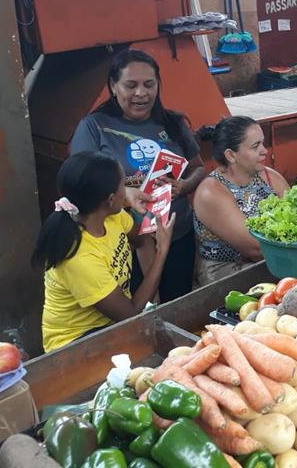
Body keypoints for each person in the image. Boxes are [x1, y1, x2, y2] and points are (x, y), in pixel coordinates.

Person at [71, 49, 206, 303]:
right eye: (130, 85)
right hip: (124, 243)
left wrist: (185, 185)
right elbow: (81, 185)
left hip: (177, 235)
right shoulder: (94, 127)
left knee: (178, 306)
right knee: (137, 314)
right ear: (113, 86)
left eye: (149, 84)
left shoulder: (173, 123)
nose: (141, 93)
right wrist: (124, 195)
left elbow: (199, 168)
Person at [35, 152, 175, 352]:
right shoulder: (78, 257)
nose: (126, 191)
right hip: (75, 344)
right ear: (110, 199)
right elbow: (131, 314)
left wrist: (153, 300)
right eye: (123, 186)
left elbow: (142, 240)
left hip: (113, 324)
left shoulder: (111, 217)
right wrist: (162, 250)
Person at [193, 117, 289, 284]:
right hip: (226, 270)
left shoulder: (270, 177)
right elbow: (255, 248)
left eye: (263, 143)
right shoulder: (211, 192)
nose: (264, 151)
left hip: (275, 258)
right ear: (231, 155)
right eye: (255, 146)